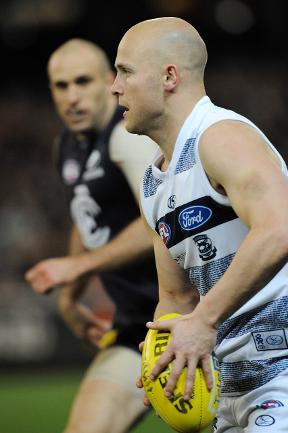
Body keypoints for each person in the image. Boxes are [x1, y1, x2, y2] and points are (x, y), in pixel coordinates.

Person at [111, 17, 288, 432]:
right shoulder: (154, 183)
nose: (114, 87)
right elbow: (176, 297)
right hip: (228, 391)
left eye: (125, 71)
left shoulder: (221, 136)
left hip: (281, 372)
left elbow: (280, 228)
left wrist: (203, 323)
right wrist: (167, 355)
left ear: (169, 76)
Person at [25, 38, 160, 433]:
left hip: (199, 317)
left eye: (82, 81)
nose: (72, 96)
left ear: (109, 80)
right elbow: (86, 221)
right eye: (60, 86)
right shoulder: (66, 146)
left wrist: (79, 266)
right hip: (139, 327)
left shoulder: (128, 136)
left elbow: (158, 220)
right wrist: (71, 297)